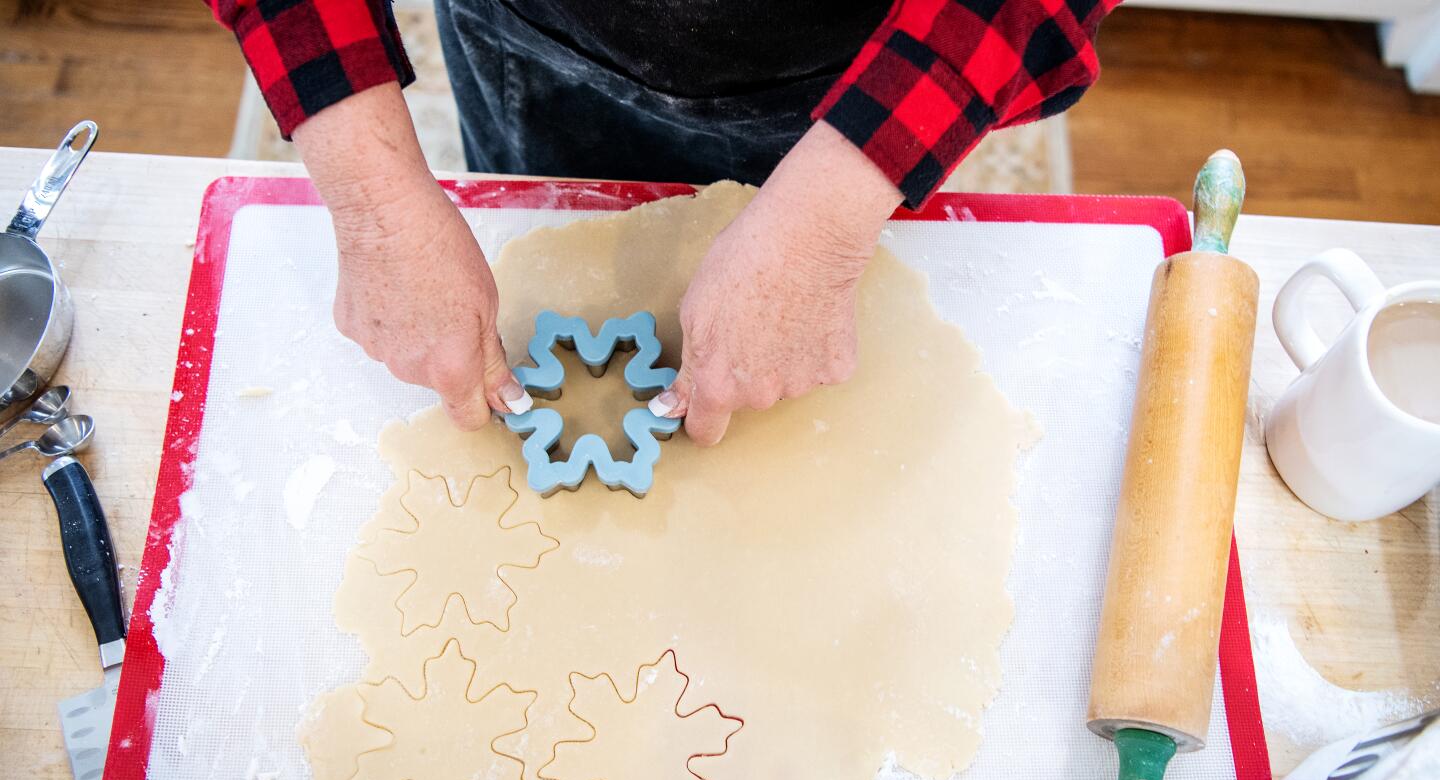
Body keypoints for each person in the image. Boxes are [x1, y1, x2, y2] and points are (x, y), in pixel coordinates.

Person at [206, 0, 1117, 445]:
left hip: (857, 65)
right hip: (536, 34)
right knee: (548, 215)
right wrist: (374, 205)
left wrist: (824, 224)